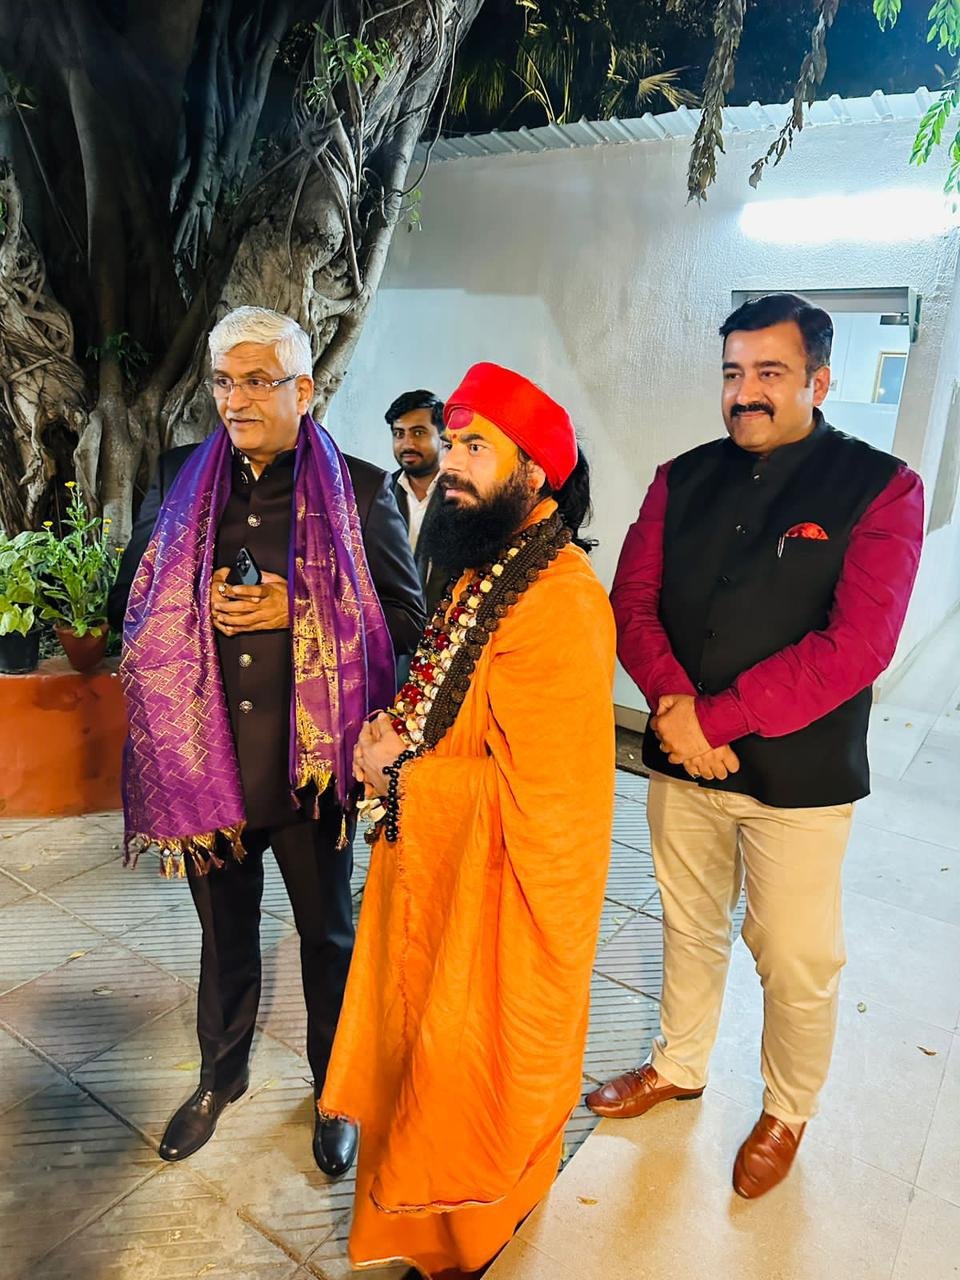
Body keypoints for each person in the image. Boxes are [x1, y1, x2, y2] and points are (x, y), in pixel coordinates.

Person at [587, 293, 924, 1199]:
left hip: (800, 776)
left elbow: (858, 645)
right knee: (689, 922)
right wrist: (674, 707)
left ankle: (787, 1108)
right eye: (734, 373)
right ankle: (679, 1064)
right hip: (682, 756)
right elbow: (633, 602)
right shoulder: (681, 477)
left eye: (770, 373)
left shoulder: (880, 487)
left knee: (797, 954)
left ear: (821, 380)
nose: (746, 393)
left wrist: (715, 720)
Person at [109, 306, 425, 1179]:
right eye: (224, 381)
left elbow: (409, 621)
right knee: (224, 935)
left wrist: (302, 609)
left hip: (308, 771)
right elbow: (130, 597)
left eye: (257, 381)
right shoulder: (178, 477)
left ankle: (336, 1091)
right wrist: (186, 598)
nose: (236, 400)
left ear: (303, 389)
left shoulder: (362, 490)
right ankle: (221, 1076)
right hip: (205, 766)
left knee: (328, 937)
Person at [321, 362, 616, 1278]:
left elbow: (549, 803)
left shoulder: (561, 599)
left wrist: (402, 776)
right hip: (438, 872)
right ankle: (429, 1238)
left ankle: (472, 1246)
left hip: (500, 904)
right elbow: (444, 701)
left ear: (536, 469)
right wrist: (395, 735)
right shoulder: (486, 564)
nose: (451, 461)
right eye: (451, 441)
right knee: (420, 1064)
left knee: (474, 1080)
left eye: (476, 446)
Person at [386, 389, 449, 615]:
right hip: (390, 628)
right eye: (399, 434)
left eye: (418, 433)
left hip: (448, 626)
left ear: (444, 438)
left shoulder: (465, 496)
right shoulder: (380, 494)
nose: (407, 444)